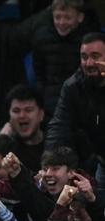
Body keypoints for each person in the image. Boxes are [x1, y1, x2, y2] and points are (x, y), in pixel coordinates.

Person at [46, 32, 105, 191]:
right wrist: (51, 162)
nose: (89, 63)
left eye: (95, 56)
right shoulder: (73, 87)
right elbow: (59, 126)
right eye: (84, 57)